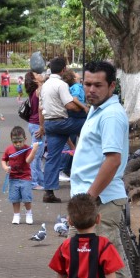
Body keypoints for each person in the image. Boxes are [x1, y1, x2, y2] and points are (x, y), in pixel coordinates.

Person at [69, 60, 130, 278]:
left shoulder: (111, 115)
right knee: (86, 259)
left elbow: (113, 160)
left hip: (101, 202)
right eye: (87, 84)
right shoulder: (97, 110)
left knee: (108, 263)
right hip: (89, 200)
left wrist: (89, 199)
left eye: (97, 85)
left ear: (112, 86)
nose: (91, 90)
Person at [39, 57, 86, 204]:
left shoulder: (45, 85)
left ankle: (49, 192)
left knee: (52, 157)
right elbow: (70, 106)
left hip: (50, 124)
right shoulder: (61, 84)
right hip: (62, 122)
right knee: (89, 122)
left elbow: (41, 108)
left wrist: (42, 126)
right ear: (64, 69)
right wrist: (85, 109)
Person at [1, 126, 41, 225]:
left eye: (20, 141)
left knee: (27, 198)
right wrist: (5, 167)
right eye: (15, 142)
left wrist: (34, 150)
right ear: (11, 140)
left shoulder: (27, 148)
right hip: (13, 178)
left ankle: (29, 214)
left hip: (25, 177)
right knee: (14, 199)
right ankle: (16, 215)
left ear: (25, 139)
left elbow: (28, 160)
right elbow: (3, 160)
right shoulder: (9, 149)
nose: (18, 144)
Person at [25, 71, 44, 188]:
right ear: (34, 80)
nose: (40, 74)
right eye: (37, 74)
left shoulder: (35, 91)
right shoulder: (39, 90)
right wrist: (42, 127)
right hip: (37, 124)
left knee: (38, 154)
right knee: (36, 155)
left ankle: (40, 180)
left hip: (34, 123)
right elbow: (41, 109)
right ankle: (33, 182)